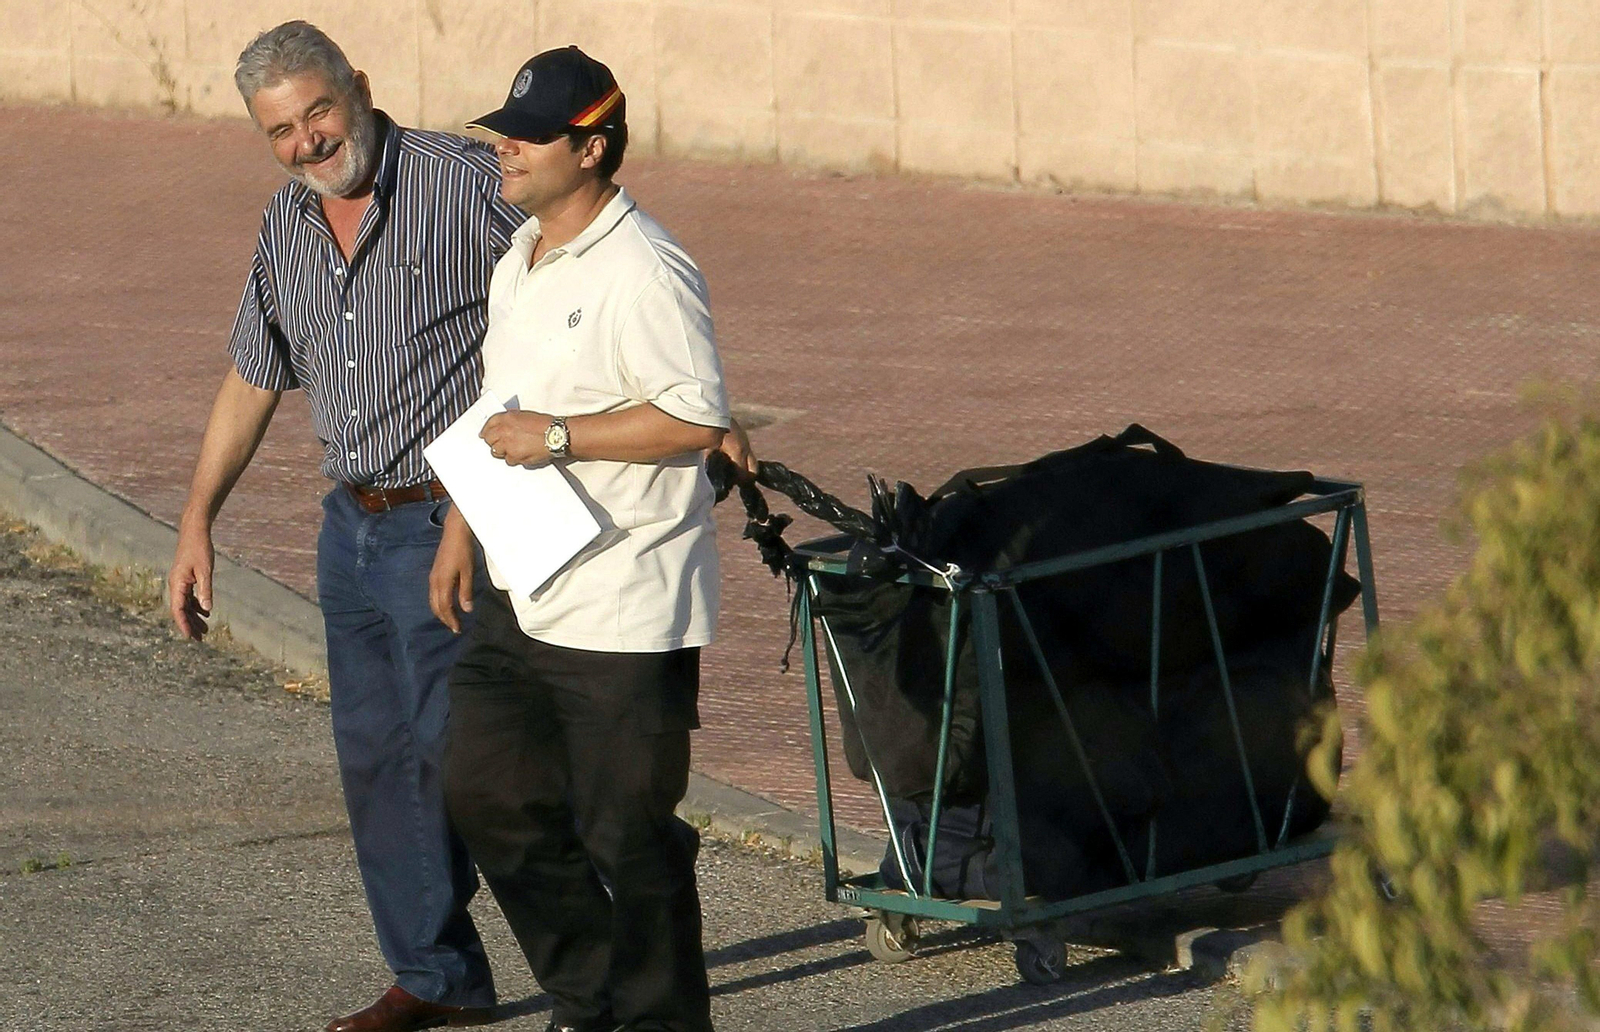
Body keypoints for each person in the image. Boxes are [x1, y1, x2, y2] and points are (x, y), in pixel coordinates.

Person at [166, 21, 519, 1032]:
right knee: (380, 764)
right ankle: (435, 977)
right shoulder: (287, 224)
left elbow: (573, 281)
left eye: (318, 111)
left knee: (478, 765)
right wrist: (197, 520)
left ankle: (607, 963)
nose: (310, 141)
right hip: (351, 531)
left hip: (451, 521)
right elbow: (253, 373)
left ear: (357, 88)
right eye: (282, 130)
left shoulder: (466, 182)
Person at [436, 47, 725, 1032]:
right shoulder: (520, 258)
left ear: (593, 146)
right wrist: (458, 529)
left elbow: (695, 419)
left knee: (628, 843)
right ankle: (596, 995)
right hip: (522, 590)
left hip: (624, 609)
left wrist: (562, 438)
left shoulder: (647, 269)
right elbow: (497, 408)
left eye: (528, 135)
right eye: (502, 130)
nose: (503, 148)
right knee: (484, 796)